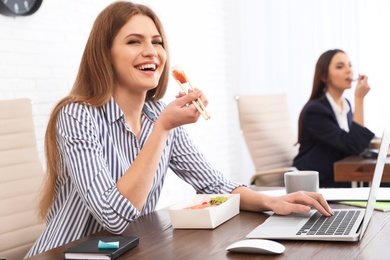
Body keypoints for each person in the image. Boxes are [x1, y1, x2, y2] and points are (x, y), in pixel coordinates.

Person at [25, 1, 333, 257]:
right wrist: (162, 130)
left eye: (156, 42)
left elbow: (214, 184)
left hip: (126, 251)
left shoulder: (158, 113)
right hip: (66, 252)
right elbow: (114, 217)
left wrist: (272, 201)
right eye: (134, 41)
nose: (152, 52)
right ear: (105, 53)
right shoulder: (77, 115)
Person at [293, 49, 375, 188]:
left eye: (350, 65)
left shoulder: (345, 104)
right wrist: (359, 98)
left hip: (339, 175)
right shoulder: (315, 111)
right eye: (340, 66)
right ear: (324, 76)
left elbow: (354, 140)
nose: (349, 71)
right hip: (319, 182)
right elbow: (352, 145)